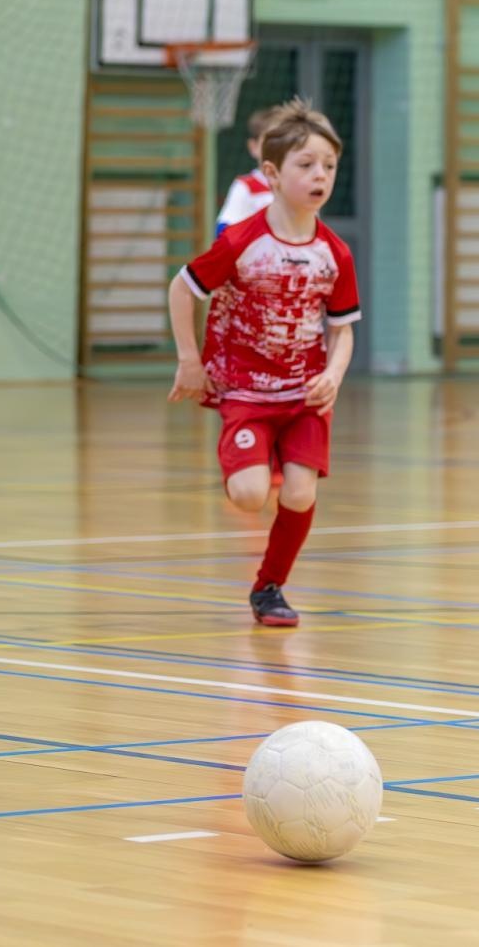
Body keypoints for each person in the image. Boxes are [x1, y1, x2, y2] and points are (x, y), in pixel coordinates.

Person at [167, 98, 361, 627]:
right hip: (246, 391)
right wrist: (189, 360)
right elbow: (182, 289)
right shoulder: (241, 241)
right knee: (251, 496)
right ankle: (245, 454)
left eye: (329, 166)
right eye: (307, 165)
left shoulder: (336, 253)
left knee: (298, 494)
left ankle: (269, 588)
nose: (320, 176)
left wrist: (333, 374)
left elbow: (342, 328)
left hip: (304, 394)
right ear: (271, 174)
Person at [214, 104, 283, 236]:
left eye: (283, 143)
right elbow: (223, 231)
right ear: (253, 147)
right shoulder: (245, 186)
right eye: (270, 143)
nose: (277, 149)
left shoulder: (297, 187)